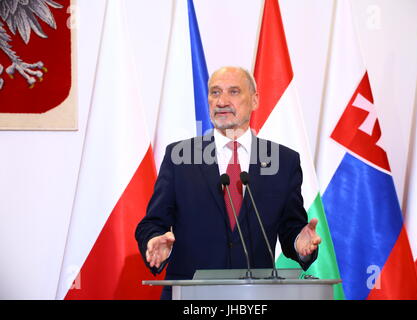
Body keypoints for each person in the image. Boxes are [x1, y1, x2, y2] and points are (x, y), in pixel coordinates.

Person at [135, 66, 321, 300]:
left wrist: (298, 243)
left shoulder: (283, 161)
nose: (221, 101)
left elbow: (291, 228)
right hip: (191, 297)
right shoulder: (180, 156)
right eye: (215, 92)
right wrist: (154, 241)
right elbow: (152, 223)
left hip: (255, 298)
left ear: (254, 100)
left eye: (233, 92)